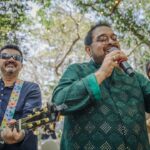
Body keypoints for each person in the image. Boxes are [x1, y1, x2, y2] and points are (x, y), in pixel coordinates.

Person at [51, 22, 150, 150]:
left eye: (114, 38)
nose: (111, 42)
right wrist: (101, 73)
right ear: (88, 50)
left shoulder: (135, 77)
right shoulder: (76, 71)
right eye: (102, 39)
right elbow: (58, 102)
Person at [0, 44, 42, 150]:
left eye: (17, 58)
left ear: (21, 66)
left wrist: (21, 133)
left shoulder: (31, 88)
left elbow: (31, 116)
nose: (11, 59)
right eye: (5, 56)